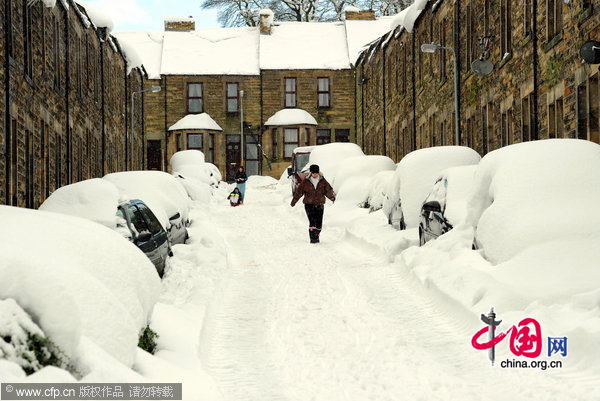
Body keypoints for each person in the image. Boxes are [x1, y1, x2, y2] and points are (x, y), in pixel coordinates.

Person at [290, 164, 336, 243]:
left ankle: (316, 235)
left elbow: (328, 190)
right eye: (314, 173)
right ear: (311, 172)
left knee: (319, 224)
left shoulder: (322, 180)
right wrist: (294, 201)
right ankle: (313, 238)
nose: (315, 175)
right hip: (309, 204)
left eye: (317, 173)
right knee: (312, 222)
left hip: (319, 204)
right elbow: (299, 192)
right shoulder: (306, 181)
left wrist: (333, 198)